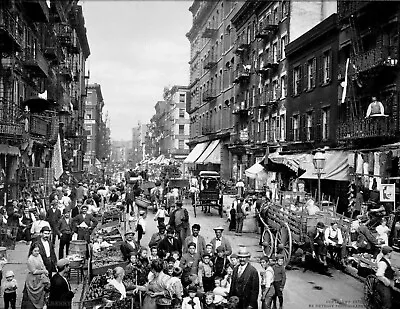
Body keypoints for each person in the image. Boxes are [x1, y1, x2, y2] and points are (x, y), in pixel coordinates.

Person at [21, 243, 50, 309]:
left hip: (41, 276)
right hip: (33, 279)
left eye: (38, 251)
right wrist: (43, 271)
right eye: (35, 251)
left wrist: (45, 270)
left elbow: (42, 265)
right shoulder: (30, 259)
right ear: (31, 251)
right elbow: (34, 271)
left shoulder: (39, 256)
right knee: (31, 298)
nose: (37, 252)